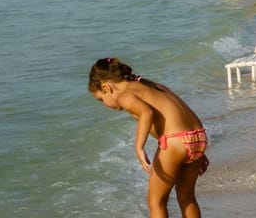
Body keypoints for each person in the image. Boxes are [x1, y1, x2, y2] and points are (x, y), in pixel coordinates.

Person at [88, 57, 208, 218]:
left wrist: (139, 147)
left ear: (106, 87)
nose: (104, 104)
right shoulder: (151, 85)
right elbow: (180, 112)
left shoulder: (125, 95)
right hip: (196, 136)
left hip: (175, 141)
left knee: (156, 202)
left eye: (101, 99)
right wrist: (198, 149)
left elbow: (147, 112)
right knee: (187, 198)